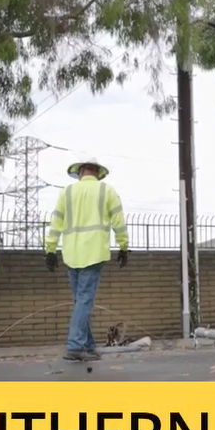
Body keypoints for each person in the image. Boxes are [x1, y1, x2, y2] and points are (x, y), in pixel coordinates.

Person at [45, 155, 128, 362]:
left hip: (71, 253)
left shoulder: (66, 192)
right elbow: (118, 220)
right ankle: (74, 346)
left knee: (80, 301)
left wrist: (50, 250)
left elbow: (56, 222)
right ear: (97, 172)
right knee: (83, 301)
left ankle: (88, 346)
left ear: (80, 171)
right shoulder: (106, 190)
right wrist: (124, 246)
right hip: (94, 252)